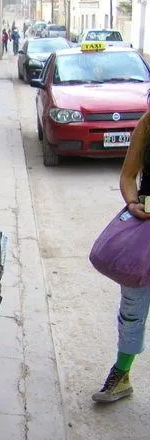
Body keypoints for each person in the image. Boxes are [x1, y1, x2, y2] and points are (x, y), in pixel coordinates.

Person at [92, 102, 150, 403]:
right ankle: (121, 375)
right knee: (132, 310)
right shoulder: (147, 122)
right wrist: (132, 203)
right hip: (145, 230)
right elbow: (128, 176)